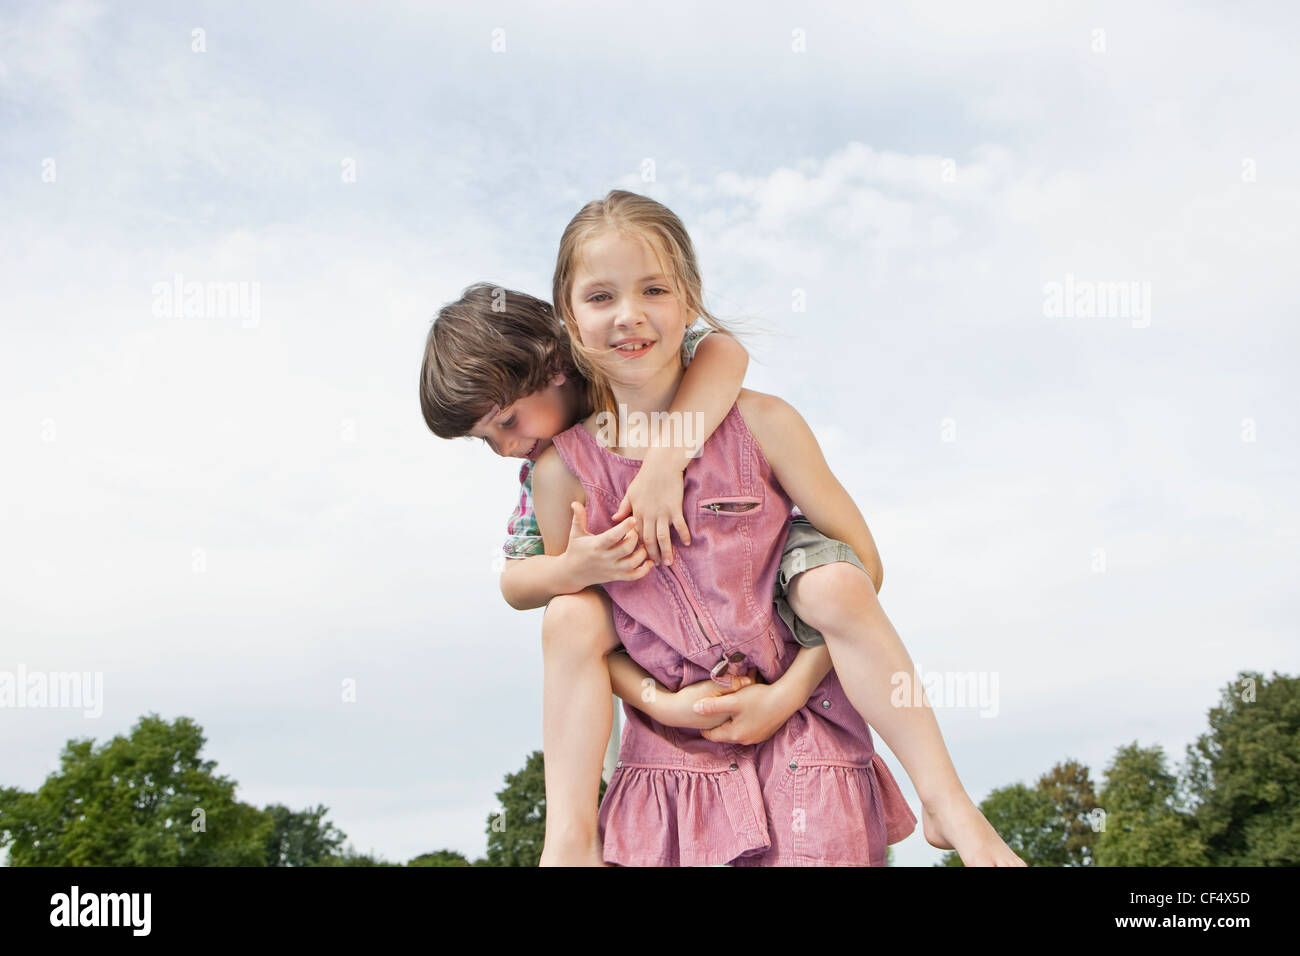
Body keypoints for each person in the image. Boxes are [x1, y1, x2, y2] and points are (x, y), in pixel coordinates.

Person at [531, 189, 1027, 865]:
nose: (630, 316)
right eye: (600, 297)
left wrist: (787, 692)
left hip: (805, 747)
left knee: (835, 584)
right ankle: (566, 845)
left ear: (690, 300)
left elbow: (865, 570)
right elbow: (586, 647)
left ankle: (948, 801)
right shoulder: (562, 475)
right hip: (673, 779)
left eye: (654, 289)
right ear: (568, 314)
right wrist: (665, 705)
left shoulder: (765, 424)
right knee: (566, 616)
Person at [419, 284, 877, 865]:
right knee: (571, 611)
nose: (506, 447)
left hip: (751, 596)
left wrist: (665, 460)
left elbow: (723, 351)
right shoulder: (551, 469)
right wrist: (571, 567)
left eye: (507, 421)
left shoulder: (630, 368)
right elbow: (514, 582)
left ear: (555, 365)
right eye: (486, 439)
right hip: (650, 642)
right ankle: (570, 840)